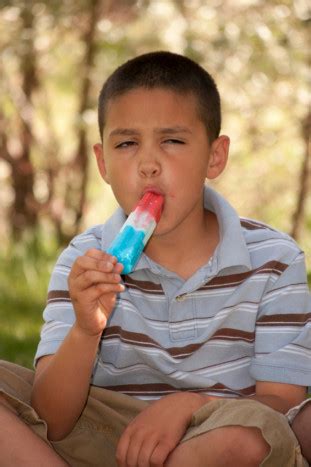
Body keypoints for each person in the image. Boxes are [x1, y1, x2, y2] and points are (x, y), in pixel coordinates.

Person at [0, 51, 310, 467]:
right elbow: (51, 421)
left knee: (255, 434)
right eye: (127, 143)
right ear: (103, 162)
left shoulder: (273, 260)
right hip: (107, 435)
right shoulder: (85, 260)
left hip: (214, 437)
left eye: (173, 141)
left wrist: (189, 405)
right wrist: (85, 331)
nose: (148, 164)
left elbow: (283, 404)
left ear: (215, 157)